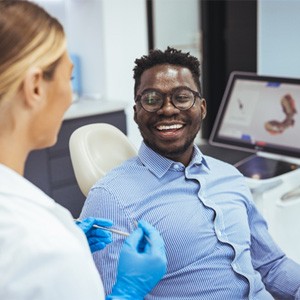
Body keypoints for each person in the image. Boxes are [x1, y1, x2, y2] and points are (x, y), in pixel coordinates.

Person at [80, 47, 300, 299]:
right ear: (137, 112)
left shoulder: (229, 176)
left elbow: (271, 265)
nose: (168, 109)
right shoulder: (111, 199)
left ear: (202, 107)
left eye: (182, 97)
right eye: (151, 99)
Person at [0, 1, 167, 299]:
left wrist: (71, 238)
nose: (69, 96)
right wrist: (127, 293)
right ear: (35, 87)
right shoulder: (43, 245)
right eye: (70, 78)